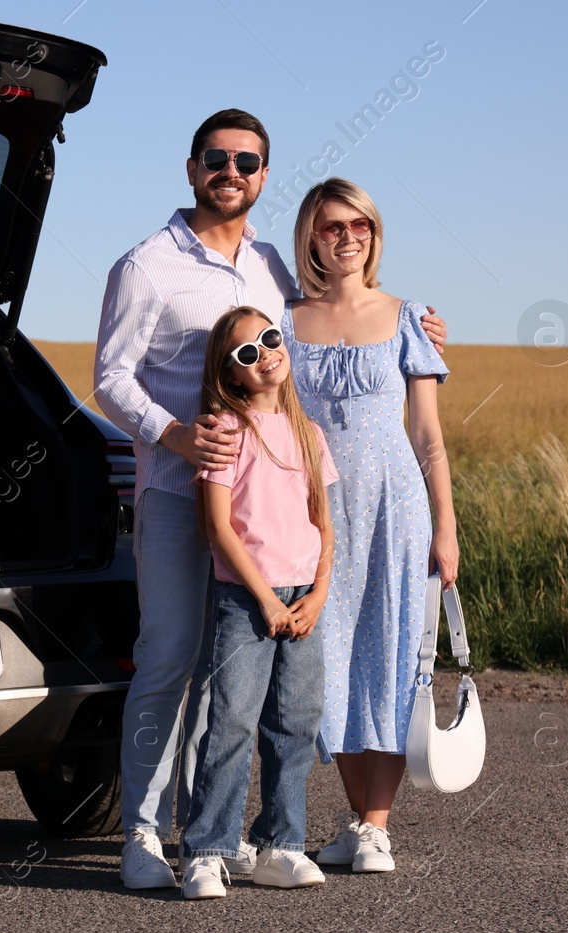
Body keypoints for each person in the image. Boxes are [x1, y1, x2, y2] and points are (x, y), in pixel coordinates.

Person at [94, 110, 447, 890]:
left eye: (248, 162)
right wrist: (174, 434)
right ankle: (144, 833)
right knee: (169, 657)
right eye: (217, 159)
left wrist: (412, 328)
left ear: (261, 175)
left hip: (267, 513)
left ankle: (212, 835)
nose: (232, 172)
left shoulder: (268, 271)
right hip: (177, 492)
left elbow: (319, 333)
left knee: (235, 675)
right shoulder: (146, 266)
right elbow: (110, 378)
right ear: (192, 169)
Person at [281, 178, 458, 874]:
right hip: (315, 512)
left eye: (360, 225)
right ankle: (358, 821)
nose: (347, 236)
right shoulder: (285, 320)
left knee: (388, 655)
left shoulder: (409, 315)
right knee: (326, 662)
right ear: (311, 237)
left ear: (374, 235)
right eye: (331, 226)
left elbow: (429, 434)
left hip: (397, 508)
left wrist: (447, 526)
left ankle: (376, 825)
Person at [180, 307, 339, 899]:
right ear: (231, 375)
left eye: (270, 339)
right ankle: (206, 851)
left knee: (295, 723)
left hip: (303, 601)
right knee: (232, 723)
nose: (265, 353)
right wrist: (266, 600)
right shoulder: (228, 430)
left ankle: (282, 844)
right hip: (246, 600)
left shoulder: (308, 433)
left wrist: (318, 594)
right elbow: (219, 530)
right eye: (247, 353)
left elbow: (325, 525)